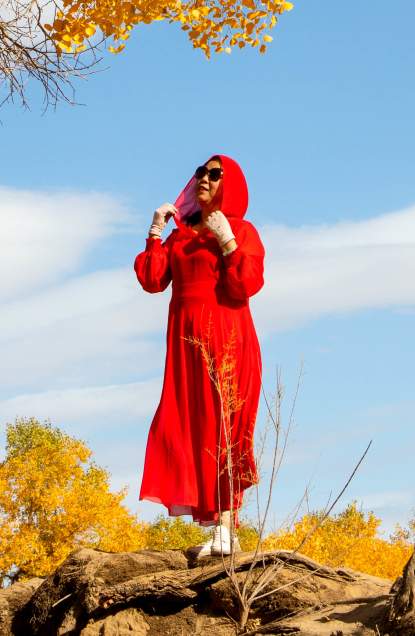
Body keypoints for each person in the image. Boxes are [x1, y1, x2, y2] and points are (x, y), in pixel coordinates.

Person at [135, 154, 264, 558]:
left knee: (226, 426)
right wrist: (155, 231)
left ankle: (227, 525)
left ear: (230, 184)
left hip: (228, 338)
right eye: (200, 173)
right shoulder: (181, 236)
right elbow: (153, 281)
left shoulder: (241, 230)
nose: (204, 179)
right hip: (186, 346)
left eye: (214, 174)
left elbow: (247, 284)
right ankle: (223, 531)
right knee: (190, 427)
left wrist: (226, 239)